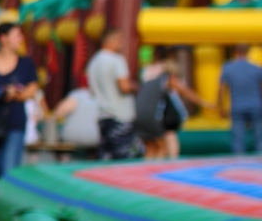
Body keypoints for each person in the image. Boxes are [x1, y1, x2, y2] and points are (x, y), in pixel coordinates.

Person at [0, 22, 40, 210]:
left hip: (14, 123)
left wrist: (16, 94)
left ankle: (7, 213)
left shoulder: (26, 64)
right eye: (17, 35)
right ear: (3, 38)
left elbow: (32, 90)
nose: (20, 39)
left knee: (9, 171)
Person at [138, 55, 211, 159]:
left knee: (151, 148)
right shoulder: (167, 80)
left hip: (138, 116)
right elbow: (184, 91)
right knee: (162, 147)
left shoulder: (153, 81)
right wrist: (204, 103)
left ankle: (146, 168)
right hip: (150, 117)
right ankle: (158, 168)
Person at [87, 29, 139, 160]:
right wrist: (135, 87)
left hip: (102, 115)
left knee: (106, 157)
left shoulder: (93, 62)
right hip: (120, 115)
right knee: (124, 157)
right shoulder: (116, 60)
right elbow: (124, 87)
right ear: (110, 41)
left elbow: (92, 91)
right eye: (119, 41)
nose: (121, 44)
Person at [220, 44, 262, 154]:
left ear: (235, 52)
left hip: (237, 105)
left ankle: (239, 158)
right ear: (247, 52)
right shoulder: (257, 68)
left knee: (237, 137)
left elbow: (221, 89)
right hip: (256, 105)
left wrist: (220, 106)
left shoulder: (228, 68)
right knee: (260, 135)